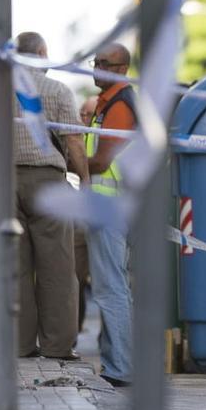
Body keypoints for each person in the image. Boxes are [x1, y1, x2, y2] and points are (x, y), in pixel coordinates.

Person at [13, 32, 89, 360]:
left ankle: (19, 344)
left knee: (13, 267)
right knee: (57, 266)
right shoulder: (57, 90)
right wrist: (84, 181)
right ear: (43, 53)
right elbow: (73, 140)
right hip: (48, 181)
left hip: (4, 181)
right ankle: (57, 347)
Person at [85, 43, 136, 387]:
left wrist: (71, 159)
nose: (96, 68)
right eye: (95, 61)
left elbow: (102, 161)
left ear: (121, 69)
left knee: (110, 288)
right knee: (112, 286)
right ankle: (114, 365)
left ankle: (120, 369)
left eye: (105, 63)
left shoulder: (120, 105)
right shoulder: (109, 103)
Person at [76, 96, 98, 332]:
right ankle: (73, 333)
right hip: (78, 222)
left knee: (107, 285)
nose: (83, 118)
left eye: (88, 114)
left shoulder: (102, 139)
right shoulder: (72, 138)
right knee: (76, 280)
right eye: (81, 113)